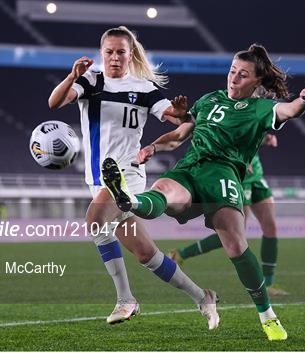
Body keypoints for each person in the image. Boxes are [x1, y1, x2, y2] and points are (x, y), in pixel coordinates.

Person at [101, 43, 305, 341]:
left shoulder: (261, 108)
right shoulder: (207, 100)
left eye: (243, 75)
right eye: (232, 71)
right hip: (191, 168)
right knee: (163, 190)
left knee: (235, 246)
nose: (233, 78)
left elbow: (291, 109)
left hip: (223, 175)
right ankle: (129, 199)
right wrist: (152, 146)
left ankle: (267, 316)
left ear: (257, 81)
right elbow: (178, 135)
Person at [49, 26, 218, 328]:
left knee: (95, 222)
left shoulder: (143, 88)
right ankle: (202, 296)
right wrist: (73, 75)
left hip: (127, 173)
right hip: (98, 180)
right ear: (102, 54)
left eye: (120, 52)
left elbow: (181, 119)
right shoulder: (91, 82)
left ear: (130, 54)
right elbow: (55, 102)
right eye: (109, 52)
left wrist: (181, 112)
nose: (114, 58)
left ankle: (126, 300)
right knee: (145, 254)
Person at [167, 134, 288, 296]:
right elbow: (227, 134)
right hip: (239, 173)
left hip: (256, 175)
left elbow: (254, 129)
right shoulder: (226, 112)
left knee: (271, 227)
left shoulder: (254, 110)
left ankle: (269, 283)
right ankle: (181, 253)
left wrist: (264, 138)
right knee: (235, 232)